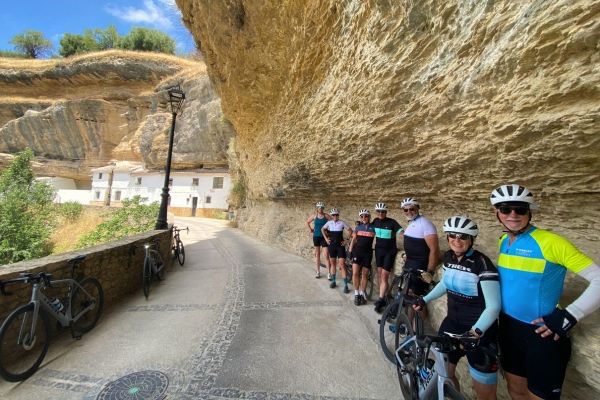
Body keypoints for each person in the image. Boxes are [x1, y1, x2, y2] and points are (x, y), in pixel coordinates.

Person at [490, 184, 600, 400]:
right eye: (505, 209)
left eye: (520, 209)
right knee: (516, 391)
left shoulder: (551, 242)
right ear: (497, 213)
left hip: (541, 334)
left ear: (530, 211)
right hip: (508, 329)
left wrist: (569, 316)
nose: (513, 215)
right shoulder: (504, 241)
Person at [414, 216, 500, 400]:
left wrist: (475, 332)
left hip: (479, 331)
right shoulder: (449, 257)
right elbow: (445, 284)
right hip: (452, 323)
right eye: (452, 235)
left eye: (462, 236)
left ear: (471, 239)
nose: (456, 240)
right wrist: (425, 299)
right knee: (445, 375)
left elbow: (494, 306)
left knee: (485, 394)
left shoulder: (482, 263)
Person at [401, 197, 440, 297]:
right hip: (410, 263)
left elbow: (434, 250)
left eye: (412, 209)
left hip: (420, 266)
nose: (409, 212)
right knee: (408, 293)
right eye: (406, 210)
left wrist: (430, 272)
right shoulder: (411, 222)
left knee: (417, 297)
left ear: (418, 208)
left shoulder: (426, 224)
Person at [372, 202, 404, 312]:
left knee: (385, 275)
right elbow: (369, 230)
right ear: (376, 212)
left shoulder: (392, 222)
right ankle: (385, 296)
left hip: (389, 252)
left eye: (383, 212)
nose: (381, 213)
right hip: (378, 251)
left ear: (386, 212)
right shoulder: (375, 221)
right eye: (379, 211)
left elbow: (401, 232)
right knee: (380, 274)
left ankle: (380, 300)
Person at [348, 209, 376, 305]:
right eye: (362, 216)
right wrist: (350, 251)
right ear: (360, 218)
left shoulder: (374, 227)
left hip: (368, 254)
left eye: (366, 216)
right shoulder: (358, 227)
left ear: (369, 217)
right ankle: (356, 294)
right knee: (355, 273)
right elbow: (353, 239)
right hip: (357, 252)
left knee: (364, 275)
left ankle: (362, 293)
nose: (364, 218)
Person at [321, 208, 353, 292]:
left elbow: (350, 231)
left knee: (342, 264)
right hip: (332, 245)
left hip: (340, 245)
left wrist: (347, 240)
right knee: (333, 263)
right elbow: (322, 229)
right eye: (333, 215)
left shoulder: (342, 223)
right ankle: (334, 281)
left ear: (338, 215)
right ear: (331, 216)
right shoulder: (329, 222)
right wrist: (326, 239)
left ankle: (346, 285)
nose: (335, 216)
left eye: (336, 215)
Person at [306, 201, 331, 278]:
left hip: (324, 237)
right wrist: (310, 229)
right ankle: (318, 271)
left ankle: (329, 273)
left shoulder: (326, 216)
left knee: (326, 254)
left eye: (322, 207)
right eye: (319, 207)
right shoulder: (314, 216)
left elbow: (332, 223)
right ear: (317, 208)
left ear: (323, 208)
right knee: (317, 255)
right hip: (316, 236)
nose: (320, 209)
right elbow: (307, 222)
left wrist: (328, 232)